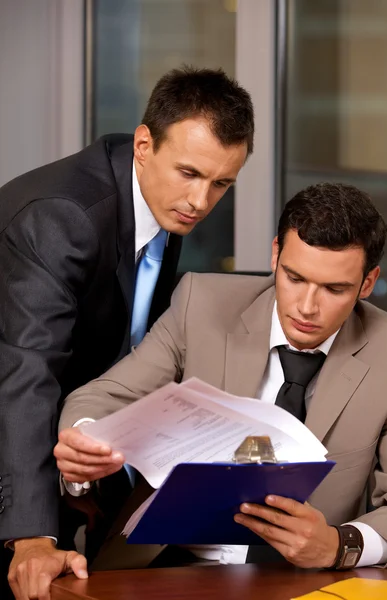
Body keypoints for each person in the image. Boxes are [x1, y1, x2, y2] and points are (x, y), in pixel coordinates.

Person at [0, 66, 254, 599]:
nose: (202, 201)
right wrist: (31, 533)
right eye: (189, 173)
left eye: (221, 183)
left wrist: (82, 476)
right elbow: (28, 368)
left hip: (62, 449)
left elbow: (119, 349)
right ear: (144, 144)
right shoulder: (62, 217)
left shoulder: (162, 201)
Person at [57, 182, 387, 575]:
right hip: (165, 565)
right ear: (275, 255)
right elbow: (100, 398)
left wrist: (340, 546)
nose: (307, 307)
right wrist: (86, 443)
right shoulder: (201, 304)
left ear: (368, 283)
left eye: (334, 289)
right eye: (294, 278)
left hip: (302, 579)